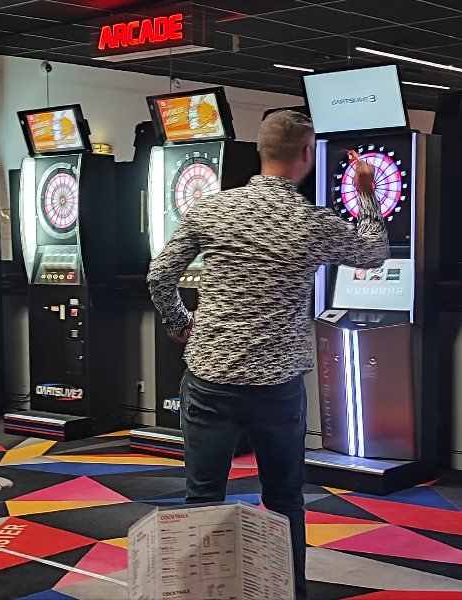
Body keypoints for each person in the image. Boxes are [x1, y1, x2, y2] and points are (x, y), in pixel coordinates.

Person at [147, 110, 389, 600]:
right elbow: (373, 252)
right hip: (278, 386)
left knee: (203, 497)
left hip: (211, 377)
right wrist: (364, 191)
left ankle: (202, 593)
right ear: (306, 154)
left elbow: (159, 277)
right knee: (283, 500)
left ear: (261, 151)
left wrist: (180, 325)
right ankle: (287, 592)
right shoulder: (309, 220)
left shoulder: (211, 209)